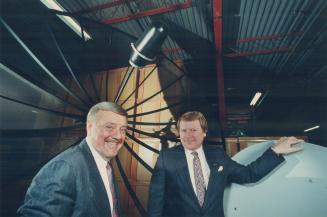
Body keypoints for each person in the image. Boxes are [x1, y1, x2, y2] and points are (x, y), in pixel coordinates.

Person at [148, 111, 303, 217]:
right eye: (184, 131)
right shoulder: (166, 158)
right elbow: (156, 201)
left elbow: (249, 174)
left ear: (204, 132)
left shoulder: (218, 155)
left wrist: (275, 151)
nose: (188, 136)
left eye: (193, 130)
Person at [17, 101, 128, 217]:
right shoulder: (64, 167)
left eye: (123, 130)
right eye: (109, 127)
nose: (118, 136)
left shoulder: (106, 166)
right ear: (89, 127)